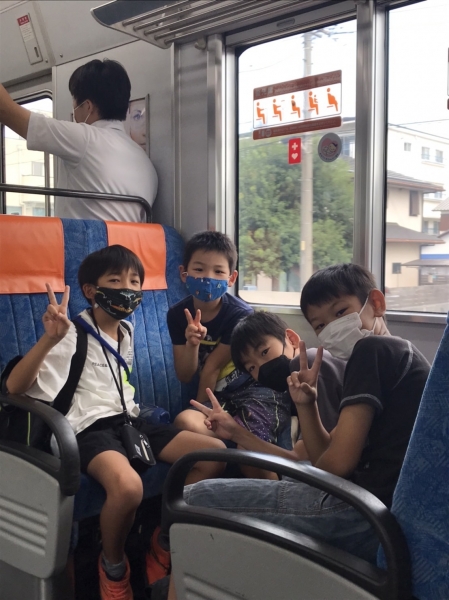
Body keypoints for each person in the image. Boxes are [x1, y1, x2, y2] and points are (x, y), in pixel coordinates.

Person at [5, 244, 225, 600]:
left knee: (212, 454)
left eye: (135, 282)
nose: (128, 289)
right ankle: (114, 568)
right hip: (88, 428)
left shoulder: (126, 330)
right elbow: (15, 387)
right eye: (116, 280)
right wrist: (48, 340)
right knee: (128, 488)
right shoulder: (70, 333)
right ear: (91, 290)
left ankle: (162, 541)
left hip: (128, 421)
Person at [181, 263, 430, 574]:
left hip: (364, 515)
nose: (332, 328)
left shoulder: (371, 351)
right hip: (374, 510)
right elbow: (326, 456)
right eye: (321, 325)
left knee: (191, 497)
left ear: (376, 303)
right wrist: (307, 404)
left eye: (340, 312)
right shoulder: (399, 354)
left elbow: (333, 466)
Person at [167, 231, 292, 455]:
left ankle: (242, 442)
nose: (208, 277)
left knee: (249, 443)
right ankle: (233, 441)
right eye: (199, 269)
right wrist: (192, 344)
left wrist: (204, 412)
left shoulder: (239, 314)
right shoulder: (177, 315)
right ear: (184, 274)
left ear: (231, 278)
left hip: (254, 389)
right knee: (185, 421)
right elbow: (185, 375)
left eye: (218, 272)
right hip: (222, 396)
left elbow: (212, 367)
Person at [0, 59, 158, 221]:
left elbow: (6, 110)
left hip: (82, 239)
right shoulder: (146, 164)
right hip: (125, 240)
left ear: (88, 106)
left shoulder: (85, 139)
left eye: (74, 103)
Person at [230, 310, 345, 446]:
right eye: (251, 368)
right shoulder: (288, 388)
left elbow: (311, 453)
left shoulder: (308, 364)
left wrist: (236, 433)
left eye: (264, 352)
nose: (262, 367)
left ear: (291, 339)